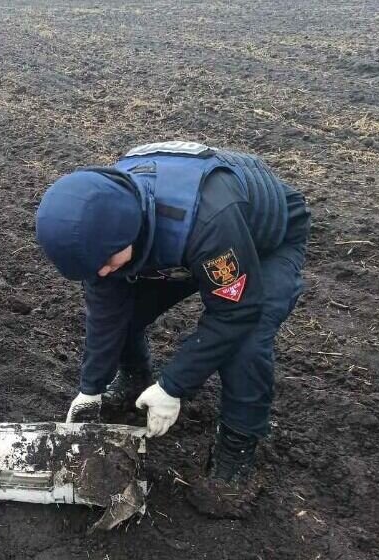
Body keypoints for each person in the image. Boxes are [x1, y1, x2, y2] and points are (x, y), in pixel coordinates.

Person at [35, 141, 310, 510]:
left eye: (103, 262)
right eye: (92, 267)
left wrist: (173, 386)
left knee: (246, 341)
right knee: (124, 309)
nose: (100, 271)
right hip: (184, 246)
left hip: (263, 238)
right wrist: (91, 388)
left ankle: (236, 451)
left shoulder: (207, 221)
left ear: (126, 230)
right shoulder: (100, 232)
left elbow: (236, 312)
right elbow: (107, 311)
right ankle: (133, 378)